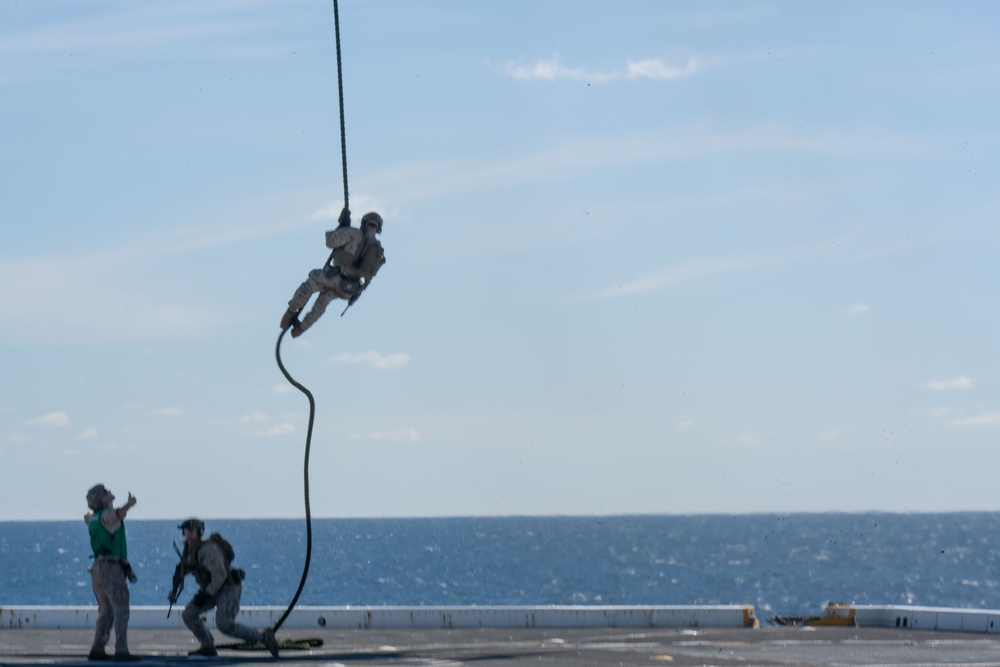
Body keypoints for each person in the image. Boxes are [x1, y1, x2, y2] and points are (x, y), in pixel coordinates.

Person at [175, 518, 280, 658]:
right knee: (188, 614)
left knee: (224, 624)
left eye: (191, 530)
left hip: (227, 587)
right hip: (212, 587)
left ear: (198, 532)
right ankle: (207, 646)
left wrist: (206, 594)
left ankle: (263, 638)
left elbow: (220, 574)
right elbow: (196, 567)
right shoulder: (190, 549)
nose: (188, 533)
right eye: (186, 530)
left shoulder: (208, 549)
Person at [280, 208, 385, 337]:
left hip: (334, 277)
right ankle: (300, 329)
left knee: (311, 283)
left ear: (364, 223)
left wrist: (342, 226)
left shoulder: (355, 234)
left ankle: (289, 314)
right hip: (348, 288)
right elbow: (369, 276)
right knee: (323, 301)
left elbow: (330, 242)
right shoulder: (378, 251)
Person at [84, 484, 141, 662]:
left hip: (97, 568)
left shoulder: (92, 518)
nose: (109, 492)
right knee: (121, 609)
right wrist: (129, 504)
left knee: (106, 611)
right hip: (110, 567)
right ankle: (121, 650)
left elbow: (89, 516)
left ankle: (97, 648)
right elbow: (116, 515)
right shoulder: (106, 515)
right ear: (102, 499)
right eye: (105, 492)